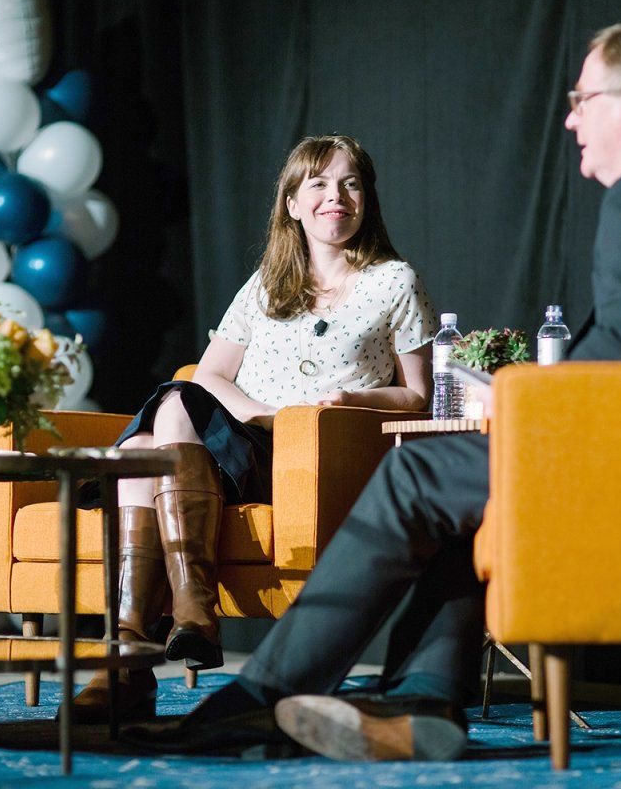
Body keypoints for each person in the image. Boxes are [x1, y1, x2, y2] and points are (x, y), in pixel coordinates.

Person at [126, 20, 621, 760]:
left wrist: (514, 400)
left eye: (583, 100)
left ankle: (260, 699)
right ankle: (422, 702)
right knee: (454, 494)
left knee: (418, 472)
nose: (572, 119)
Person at [72, 134, 437, 722]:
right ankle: (154, 641)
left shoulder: (394, 280)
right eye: (318, 184)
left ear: (366, 199)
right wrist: (256, 413)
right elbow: (211, 373)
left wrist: (353, 398)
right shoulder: (269, 282)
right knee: (153, 434)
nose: (335, 196)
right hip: (238, 444)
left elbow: (417, 395)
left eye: (350, 183)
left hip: (311, 456)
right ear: (292, 204)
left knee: (157, 430)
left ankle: (143, 652)